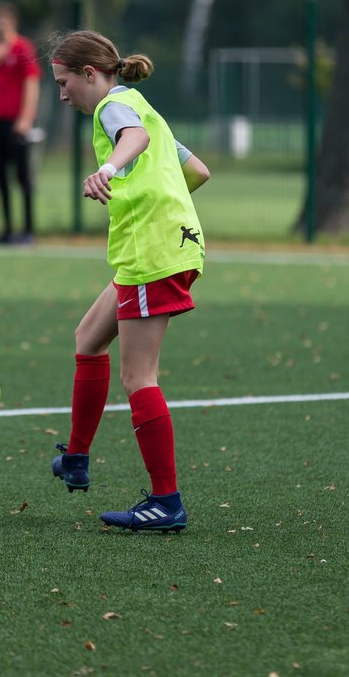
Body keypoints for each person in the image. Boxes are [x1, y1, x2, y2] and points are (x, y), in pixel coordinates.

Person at [46, 30, 211, 533]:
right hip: (172, 244)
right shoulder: (141, 106)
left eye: (64, 81)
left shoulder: (112, 109)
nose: (61, 93)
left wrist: (109, 169)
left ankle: (166, 501)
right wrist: (156, 195)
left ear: (90, 74)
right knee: (88, 338)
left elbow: (132, 140)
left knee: (139, 377)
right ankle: (75, 456)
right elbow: (198, 171)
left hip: (151, 252)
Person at [0, 1, 40, 243]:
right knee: (1, 177)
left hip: (18, 123)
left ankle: (27, 230)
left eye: (5, 21)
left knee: (22, 176)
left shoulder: (23, 48)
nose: (1, 26)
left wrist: (26, 118)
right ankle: (7, 229)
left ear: (13, 22)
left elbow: (32, 83)